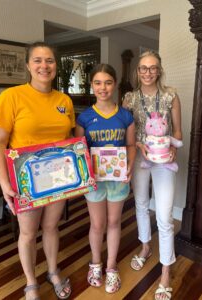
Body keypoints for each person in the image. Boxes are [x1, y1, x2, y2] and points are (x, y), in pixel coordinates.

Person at [0, 42, 74, 300]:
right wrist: (5, 185)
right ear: (28, 65)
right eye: (37, 60)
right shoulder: (11, 96)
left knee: (51, 227)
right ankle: (31, 283)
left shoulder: (64, 100)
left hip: (58, 177)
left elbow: (69, 140)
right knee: (27, 233)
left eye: (49, 60)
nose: (44, 66)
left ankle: (52, 271)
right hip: (25, 180)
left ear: (55, 65)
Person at [122, 50, 182, 300]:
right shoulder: (129, 98)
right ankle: (146, 246)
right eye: (143, 68)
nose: (147, 72)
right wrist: (137, 145)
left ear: (159, 70)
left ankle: (166, 271)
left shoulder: (170, 96)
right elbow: (125, 134)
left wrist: (172, 149)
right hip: (139, 159)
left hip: (163, 161)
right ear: (138, 71)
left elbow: (178, 133)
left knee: (166, 217)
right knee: (141, 205)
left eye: (152, 67)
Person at [75, 63, 136, 293]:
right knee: (97, 224)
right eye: (98, 83)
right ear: (92, 86)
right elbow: (78, 150)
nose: (103, 88)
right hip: (94, 180)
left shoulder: (125, 116)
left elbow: (130, 145)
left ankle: (111, 268)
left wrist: (129, 164)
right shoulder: (85, 117)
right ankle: (95, 264)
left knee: (113, 222)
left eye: (108, 82)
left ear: (115, 84)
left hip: (118, 178)